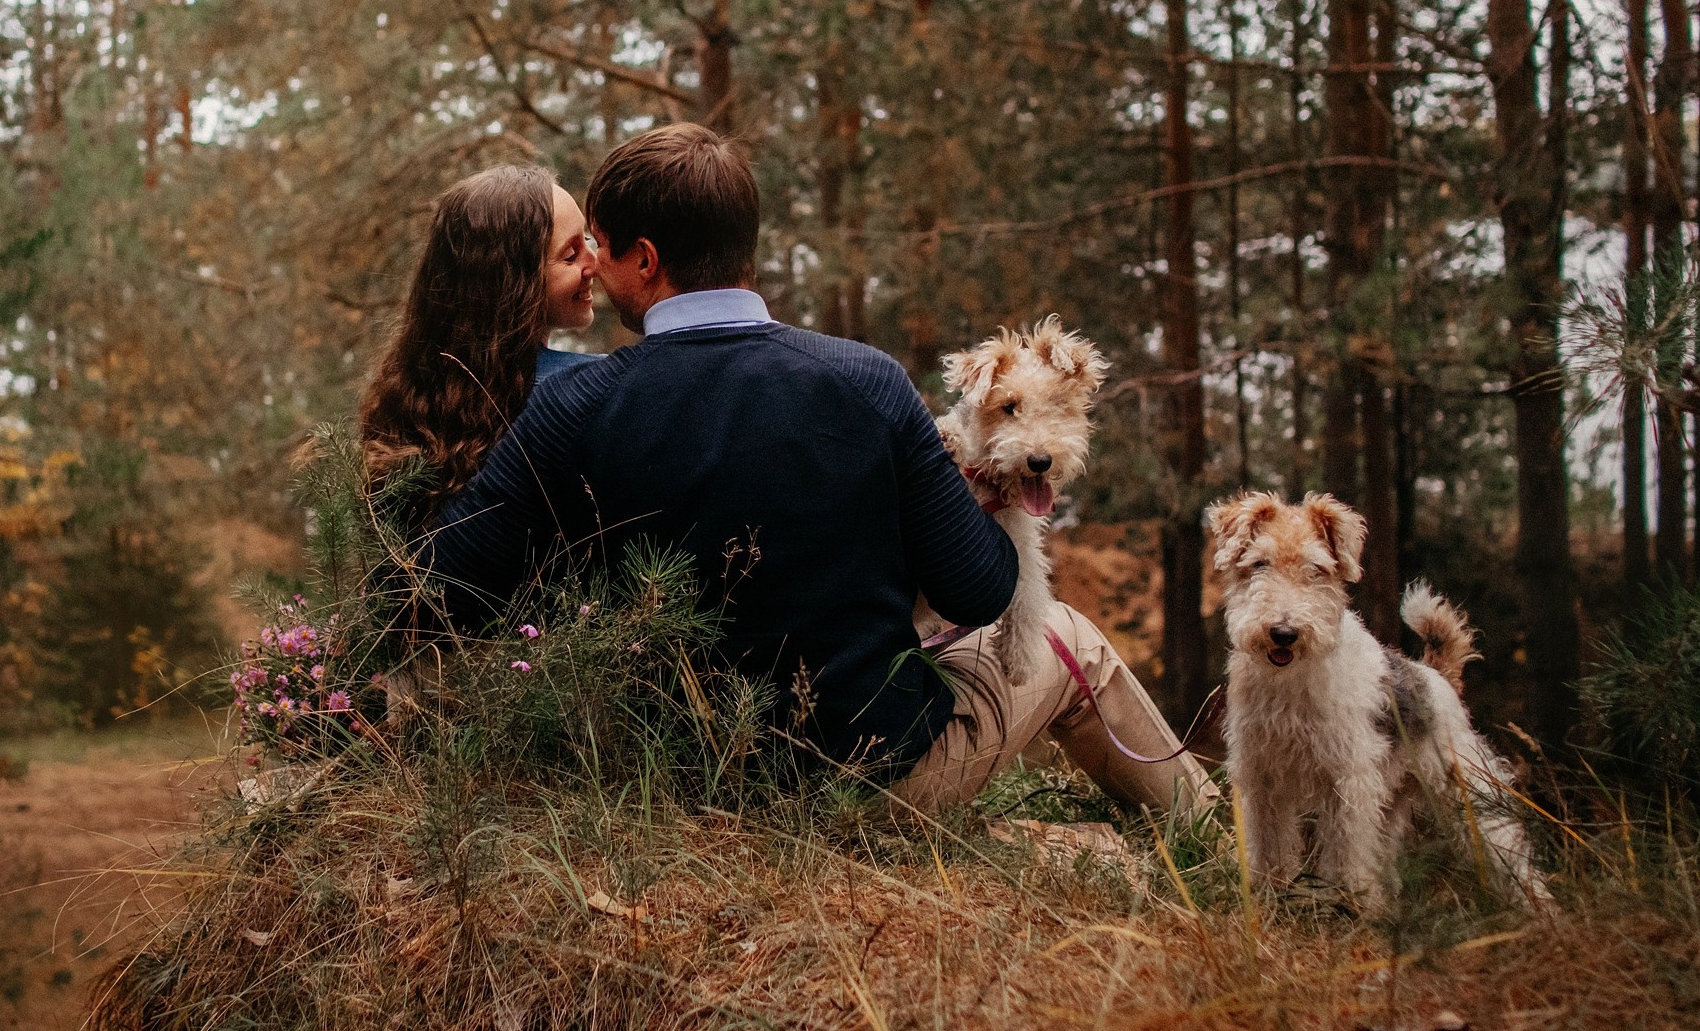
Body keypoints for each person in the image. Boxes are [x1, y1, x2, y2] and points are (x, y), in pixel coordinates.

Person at [422, 125, 1212, 815]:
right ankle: (1220, 845)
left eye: (599, 243)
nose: (593, 262)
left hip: (680, 790)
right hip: (877, 782)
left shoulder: (577, 408)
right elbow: (979, 591)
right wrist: (974, 491)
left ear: (647, 259)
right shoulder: (867, 381)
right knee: (1072, 637)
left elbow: (437, 588)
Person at [358, 165, 601, 507]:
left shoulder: (414, 410)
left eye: (589, 239)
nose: (595, 262)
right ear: (515, 284)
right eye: (571, 254)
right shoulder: (590, 391)